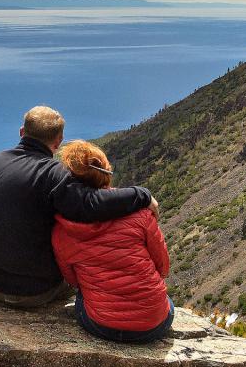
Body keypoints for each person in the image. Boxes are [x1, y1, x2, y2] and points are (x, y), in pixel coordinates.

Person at [0, 106, 158, 308]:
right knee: (81, 277)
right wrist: (142, 195)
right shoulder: (54, 174)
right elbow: (91, 205)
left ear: (22, 132)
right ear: (58, 141)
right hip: (32, 291)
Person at [52, 140, 173, 343]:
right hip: (153, 324)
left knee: (83, 296)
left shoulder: (62, 228)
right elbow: (163, 266)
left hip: (100, 325)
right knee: (166, 301)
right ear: (105, 173)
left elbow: (73, 280)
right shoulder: (142, 214)